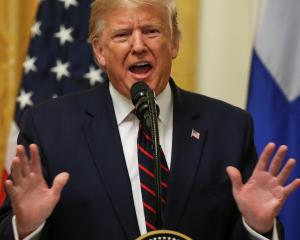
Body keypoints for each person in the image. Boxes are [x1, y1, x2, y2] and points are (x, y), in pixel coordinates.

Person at [0, 0, 300, 239]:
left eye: (152, 31)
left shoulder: (229, 127)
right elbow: (9, 228)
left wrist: (257, 227)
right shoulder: (50, 127)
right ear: (99, 51)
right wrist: (28, 229)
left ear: (174, 43)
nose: (138, 45)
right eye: (121, 35)